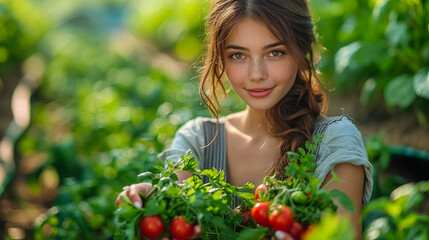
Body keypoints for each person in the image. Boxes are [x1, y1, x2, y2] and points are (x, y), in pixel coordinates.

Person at [116, 0, 373, 239]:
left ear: (301, 51)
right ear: (221, 59)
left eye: (275, 53)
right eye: (238, 55)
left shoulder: (334, 142)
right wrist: (156, 201)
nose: (256, 74)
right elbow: (176, 205)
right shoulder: (197, 141)